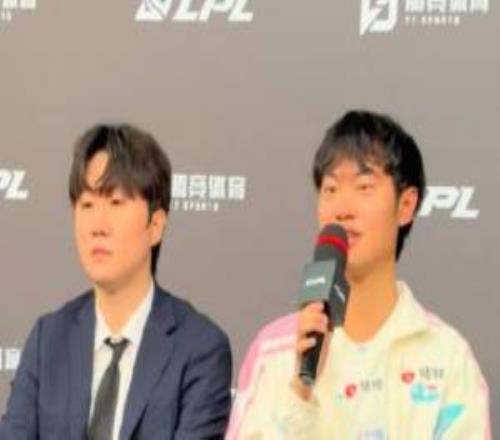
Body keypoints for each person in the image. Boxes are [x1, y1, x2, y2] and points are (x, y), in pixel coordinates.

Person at [227, 110, 490, 439]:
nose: (342, 209)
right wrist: (299, 391)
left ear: (406, 205)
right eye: (330, 189)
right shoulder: (274, 351)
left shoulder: (447, 357)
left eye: (364, 187)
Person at [0, 124, 232, 439]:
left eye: (116, 203)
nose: (98, 225)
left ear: (155, 225)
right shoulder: (48, 340)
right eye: (87, 204)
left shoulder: (199, 349)